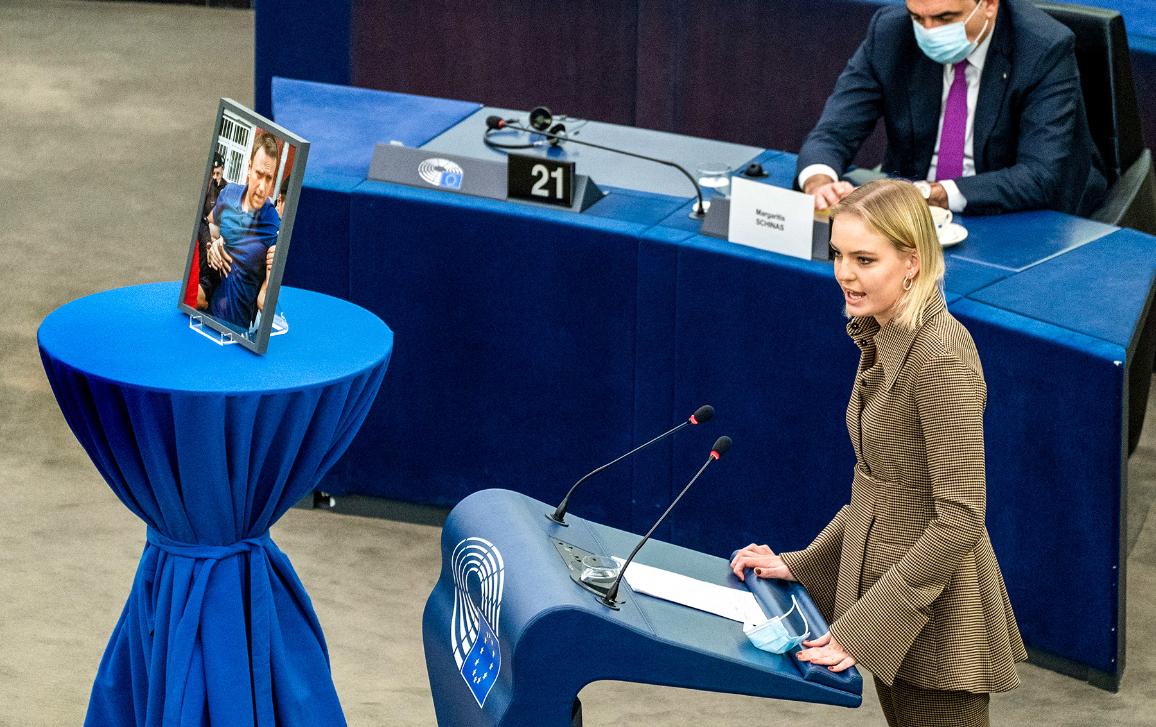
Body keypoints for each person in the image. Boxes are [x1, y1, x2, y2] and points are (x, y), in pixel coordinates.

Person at [731, 180, 1026, 727]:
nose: (845, 273)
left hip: (936, 624)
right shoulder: (882, 336)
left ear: (911, 262)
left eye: (865, 259)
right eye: (839, 254)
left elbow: (960, 516)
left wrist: (869, 628)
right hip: (895, 604)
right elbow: (880, 491)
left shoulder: (939, 352)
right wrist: (802, 565)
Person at [796, 0, 1106, 217]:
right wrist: (819, 182)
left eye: (944, 19)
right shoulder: (891, 33)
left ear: (989, 5)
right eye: (918, 17)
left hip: (1012, 215)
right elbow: (834, 132)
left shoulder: (1043, 48)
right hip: (912, 223)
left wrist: (932, 195)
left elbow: (1038, 176)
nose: (929, 31)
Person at [199, 132, 281, 331]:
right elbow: (208, 226)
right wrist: (212, 245)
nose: (262, 187)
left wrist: (268, 283)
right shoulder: (228, 195)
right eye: (258, 174)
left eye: (268, 179)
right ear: (249, 168)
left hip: (237, 332)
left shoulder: (272, 222)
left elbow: (267, 297)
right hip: (205, 317)